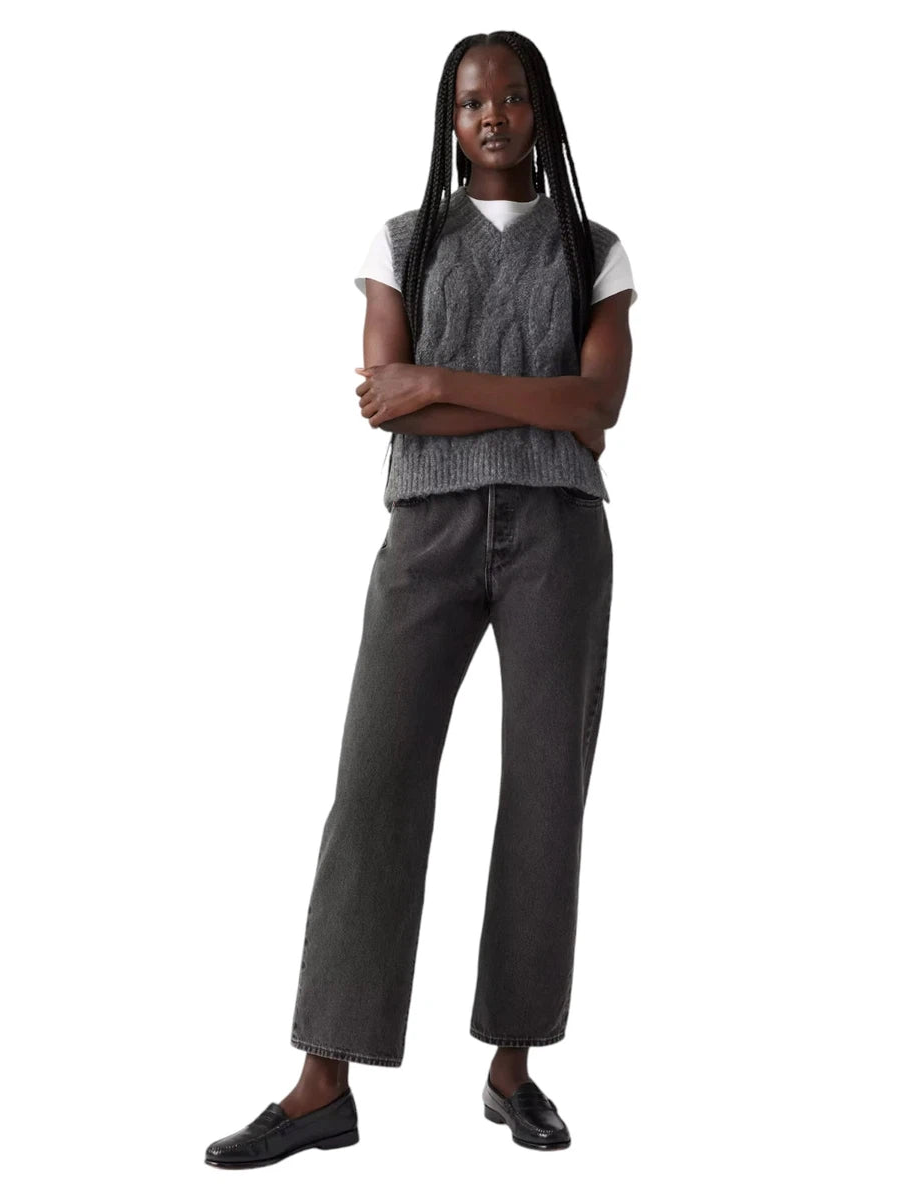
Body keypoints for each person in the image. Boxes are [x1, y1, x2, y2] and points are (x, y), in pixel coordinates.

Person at [205, 29, 636, 1168]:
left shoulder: (593, 249)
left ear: (540, 110)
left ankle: (513, 1067)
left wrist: (439, 379)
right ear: (450, 119)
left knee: (544, 791)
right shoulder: (402, 241)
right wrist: (532, 400)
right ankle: (322, 1083)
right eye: (471, 100)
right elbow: (382, 403)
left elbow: (598, 405)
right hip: (428, 535)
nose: (492, 114)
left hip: (559, 535)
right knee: (374, 786)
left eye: (511, 96)